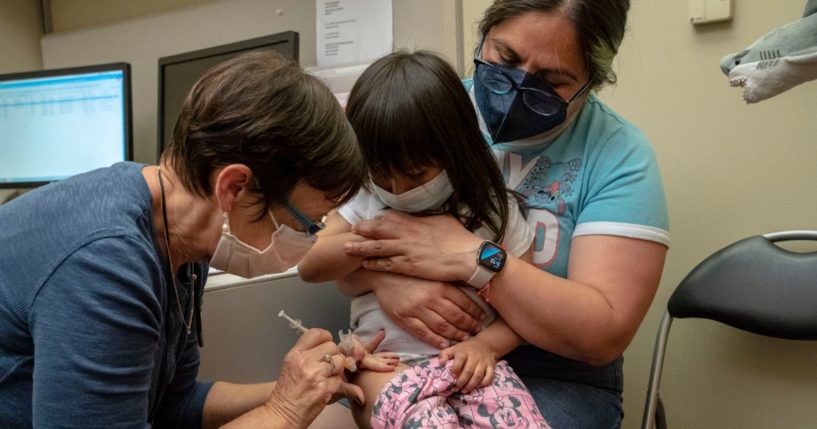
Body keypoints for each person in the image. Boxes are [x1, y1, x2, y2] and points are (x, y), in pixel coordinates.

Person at [338, 1, 670, 428]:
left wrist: (477, 258)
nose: (516, 87)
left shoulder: (619, 156)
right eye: (506, 59)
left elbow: (601, 336)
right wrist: (388, 278)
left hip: (551, 371)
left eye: (552, 79)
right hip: (401, 347)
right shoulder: (419, 111)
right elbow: (334, 249)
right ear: (484, 36)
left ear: (593, 80)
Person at [0, 51, 376, 428]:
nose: (309, 240)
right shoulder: (105, 262)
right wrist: (284, 412)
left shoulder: (182, 238)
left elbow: (172, 404)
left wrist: (302, 388)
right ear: (234, 187)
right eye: (307, 222)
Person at [298, 51, 549, 428]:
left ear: (455, 150)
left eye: (416, 175)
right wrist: (371, 251)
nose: (397, 190)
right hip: (386, 365)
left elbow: (528, 311)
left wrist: (486, 346)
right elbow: (310, 265)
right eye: (381, 175)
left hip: (470, 366)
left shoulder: (492, 212)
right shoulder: (366, 200)